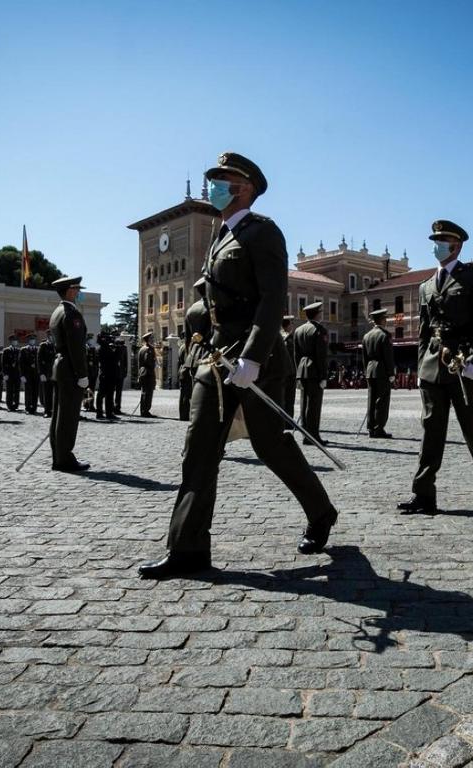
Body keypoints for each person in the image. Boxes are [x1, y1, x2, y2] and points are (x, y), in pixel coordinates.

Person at [140, 152, 338, 579]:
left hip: (256, 363)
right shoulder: (220, 234)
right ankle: (187, 550)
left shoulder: (262, 231)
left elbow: (271, 299)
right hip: (217, 361)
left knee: (272, 448)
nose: (214, 184)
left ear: (245, 186)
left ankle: (321, 511)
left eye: (221, 178)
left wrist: (253, 356)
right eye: (212, 178)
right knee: (198, 451)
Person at [397, 219, 473, 515]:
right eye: (435, 240)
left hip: (462, 364)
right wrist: (421, 367)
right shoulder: (426, 286)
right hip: (434, 363)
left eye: (442, 240)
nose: (437, 245)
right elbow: (423, 330)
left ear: (456, 245)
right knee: (431, 427)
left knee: (471, 425)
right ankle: (423, 493)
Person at [48, 277, 91, 472]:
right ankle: (64, 459)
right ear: (70, 291)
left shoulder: (56, 312)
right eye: (77, 289)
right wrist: (82, 374)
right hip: (70, 369)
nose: (79, 292)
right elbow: (76, 348)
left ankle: (59, 456)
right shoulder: (71, 314)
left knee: (59, 415)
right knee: (68, 416)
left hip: (60, 367)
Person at [293, 302, 329, 444]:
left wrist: (298, 372)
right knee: (314, 405)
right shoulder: (319, 330)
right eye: (320, 312)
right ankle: (313, 435)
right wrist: (323, 376)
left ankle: (305, 434)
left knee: (304, 404)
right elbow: (321, 355)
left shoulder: (298, 330)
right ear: (317, 314)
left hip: (302, 370)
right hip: (314, 371)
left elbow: (296, 355)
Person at [361, 307, 396, 438]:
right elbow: (388, 356)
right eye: (385, 318)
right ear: (382, 320)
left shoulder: (366, 336)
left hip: (370, 370)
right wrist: (391, 373)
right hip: (381, 371)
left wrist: (366, 372)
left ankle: (371, 427)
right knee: (382, 400)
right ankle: (379, 428)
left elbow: (364, 357)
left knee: (371, 399)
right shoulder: (385, 335)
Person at [179, 279, 210, 421]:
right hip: (209, 353)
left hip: (193, 355)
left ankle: (195, 416)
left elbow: (187, 340)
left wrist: (189, 355)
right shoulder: (212, 307)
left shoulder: (191, 309)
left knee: (195, 389)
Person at [95, 332, 120, 419]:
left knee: (106, 394)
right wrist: (117, 350)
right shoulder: (103, 348)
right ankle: (104, 413)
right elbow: (114, 359)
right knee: (105, 394)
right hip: (107, 374)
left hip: (107, 373)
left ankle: (104, 412)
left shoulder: (103, 348)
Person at [280, 315, 298, 418]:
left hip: (281, 373)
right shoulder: (289, 338)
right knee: (289, 398)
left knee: (282, 398)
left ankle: (283, 420)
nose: (293, 325)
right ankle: (288, 422)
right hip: (290, 372)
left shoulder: (278, 336)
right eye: (291, 323)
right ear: (287, 325)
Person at [137, 332, 157, 417]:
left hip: (142, 372)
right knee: (148, 393)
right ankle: (145, 411)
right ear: (148, 340)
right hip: (148, 372)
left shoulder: (142, 349)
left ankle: (143, 410)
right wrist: (154, 363)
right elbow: (147, 360)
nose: (153, 340)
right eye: (151, 338)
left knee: (144, 392)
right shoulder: (149, 349)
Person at [19, 334, 40, 414]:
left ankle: (34, 408)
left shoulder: (38, 349)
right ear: (28, 340)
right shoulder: (23, 350)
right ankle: (27, 407)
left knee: (35, 391)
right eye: (31, 339)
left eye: (33, 339)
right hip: (27, 374)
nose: (32, 340)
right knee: (28, 391)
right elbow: (21, 363)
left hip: (36, 374)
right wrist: (22, 375)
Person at [38, 332, 55, 417]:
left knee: (55, 393)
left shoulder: (56, 346)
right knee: (47, 393)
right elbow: (39, 361)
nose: (53, 337)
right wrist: (41, 373)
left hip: (55, 373)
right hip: (46, 373)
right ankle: (47, 411)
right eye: (51, 335)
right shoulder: (43, 346)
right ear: (48, 336)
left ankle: (54, 411)